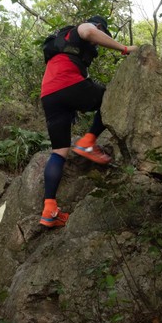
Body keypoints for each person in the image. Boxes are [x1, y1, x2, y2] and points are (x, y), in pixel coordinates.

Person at [39, 16, 138, 228]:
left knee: (59, 152)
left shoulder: (62, 42)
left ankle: (49, 210)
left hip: (49, 94)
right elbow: (88, 32)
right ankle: (88, 141)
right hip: (68, 82)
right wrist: (124, 48)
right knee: (109, 97)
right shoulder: (85, 28)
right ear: (100, 26)